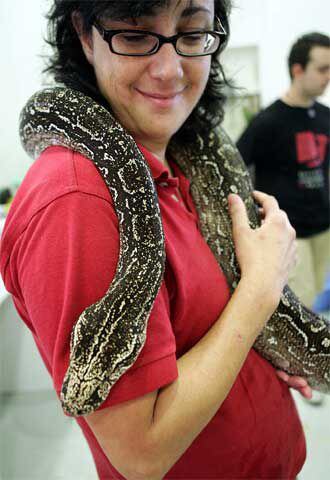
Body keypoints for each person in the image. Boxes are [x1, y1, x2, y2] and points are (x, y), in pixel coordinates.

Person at [0, 1, 314, 478]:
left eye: (191, 34)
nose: (168, 70)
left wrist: (258, 347)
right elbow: (142, 454)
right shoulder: (77, 198)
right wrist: (262, 290)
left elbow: (201, 320)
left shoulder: (173, 155)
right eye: (134, 34)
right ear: (85, 36)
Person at [237, 32, 330, 311]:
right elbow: (237, 167)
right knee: (296, 307)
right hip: (290, 233)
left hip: (323, 228)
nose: (328, 76)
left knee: (314, 295)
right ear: (297, 70)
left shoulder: (326, 117)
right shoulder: (268, 121)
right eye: (323, 69)